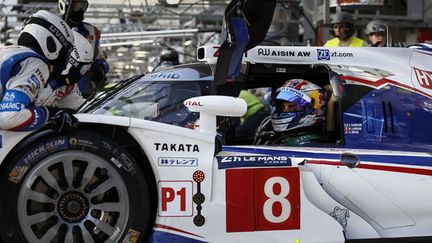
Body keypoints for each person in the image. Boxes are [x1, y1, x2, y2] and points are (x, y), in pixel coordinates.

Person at [0, 10, 79, 132]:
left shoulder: (10, 52)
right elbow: (10, 118)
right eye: (66, 52)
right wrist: (51, 115)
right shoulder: (36, 62)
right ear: (53, 43)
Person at [59, 0, 109, 99]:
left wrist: (100, 69)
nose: (80, 10)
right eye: (77, 5)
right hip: (58, 89)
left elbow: (99, 56)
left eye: (83, 6)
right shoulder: (54, 27)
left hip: (83, 91)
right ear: (63, 5)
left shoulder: (92, 31)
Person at [254, 79, 328, 145]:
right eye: (282, 107)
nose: (285, 110)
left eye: (291, 106)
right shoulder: (286, 136)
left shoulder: (311, 144)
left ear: (312, 109)